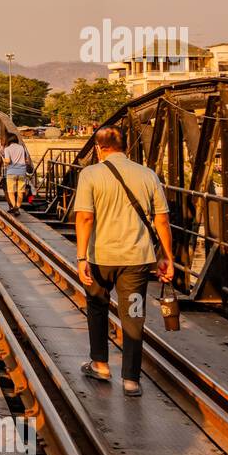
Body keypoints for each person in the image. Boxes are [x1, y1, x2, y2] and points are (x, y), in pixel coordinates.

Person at [73, 125, 175, 398]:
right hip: (137, 260)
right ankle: (131, 379)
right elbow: (162, 220)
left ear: (98, 149)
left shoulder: (90, 174)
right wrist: (167, 256)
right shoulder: (148, 175)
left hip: (100, 257)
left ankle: (100, 364)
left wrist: (81, 257)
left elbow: (85, 217)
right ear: (126, 147)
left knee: (97, 306)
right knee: (133, 315)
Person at [0, 133, 30, 215]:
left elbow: (8, 161)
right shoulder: (22, 148)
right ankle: (17, 208)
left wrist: (3, 159)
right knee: (20, 191)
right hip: (22, 172)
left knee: (11, 191)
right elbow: (27, 160)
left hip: (11, 172)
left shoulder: (7, 149)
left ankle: (14, 207)